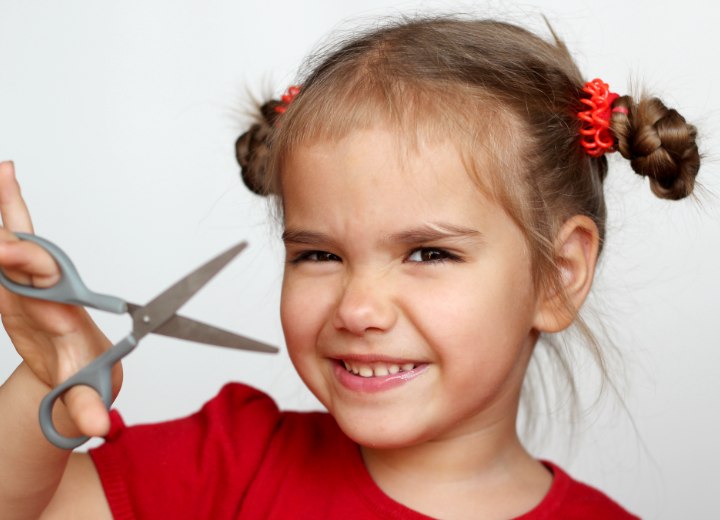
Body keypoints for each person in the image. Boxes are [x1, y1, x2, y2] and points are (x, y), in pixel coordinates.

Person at [0, 15, 700, 519]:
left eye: (428, 253)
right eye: (318, 254)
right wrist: (46, 375)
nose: (358, 308)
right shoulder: (230, 462)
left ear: (559, 275)